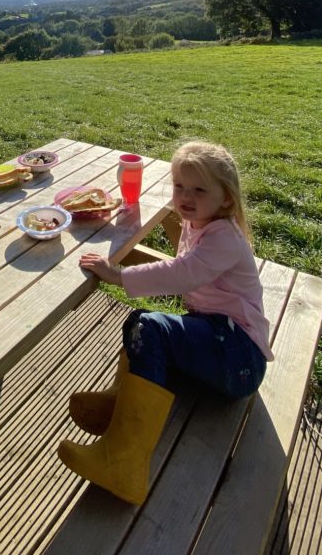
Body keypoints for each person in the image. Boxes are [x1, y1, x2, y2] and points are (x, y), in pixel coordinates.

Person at [58, 140, 272, 505]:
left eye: (199, 190)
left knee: (152, 328)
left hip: (239, 359)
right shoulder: (198, 221)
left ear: (226, 199)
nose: (185, 197)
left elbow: (182, 273)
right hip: (218, 340)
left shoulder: (224, 239)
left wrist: (120, 275)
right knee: (140, 321)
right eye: (179, 187)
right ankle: (122, 406)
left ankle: (124, 462)